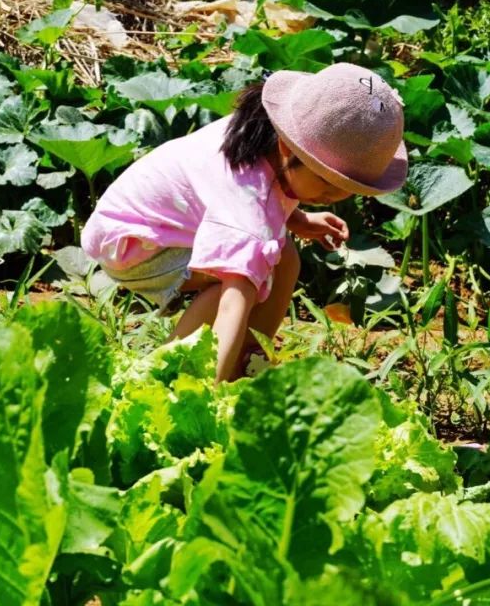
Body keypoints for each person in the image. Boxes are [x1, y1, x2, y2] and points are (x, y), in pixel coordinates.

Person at [80, 62, 408, 382]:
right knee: (243, 282)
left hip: (157, 224)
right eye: (326, 183)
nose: (335, 196)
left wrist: (299, 218)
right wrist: (210, 393)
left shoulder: (264, 140)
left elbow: (271, 191)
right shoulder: (243, 202)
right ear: (287, 147)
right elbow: (232, 303)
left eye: (348, 189)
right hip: (135, 244)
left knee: (285, 258)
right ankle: (177, 376)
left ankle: (248, 362)